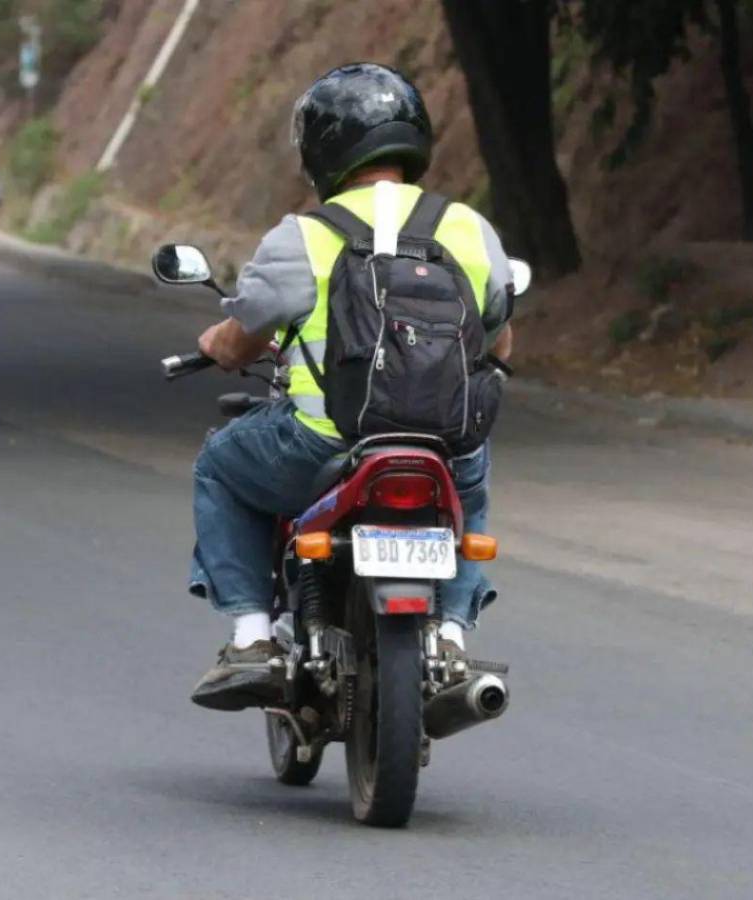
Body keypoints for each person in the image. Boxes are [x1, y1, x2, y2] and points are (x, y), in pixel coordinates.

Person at [189, 62, 514, 711]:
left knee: (220, 466)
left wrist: (215, 346)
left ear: (322, 151)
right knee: (472, 474)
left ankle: (253, 638)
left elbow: (240, 338)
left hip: (321, 447)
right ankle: (449, 636)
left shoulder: (303, 237)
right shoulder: (468, 229)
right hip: (440, 450)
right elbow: (501, 343)